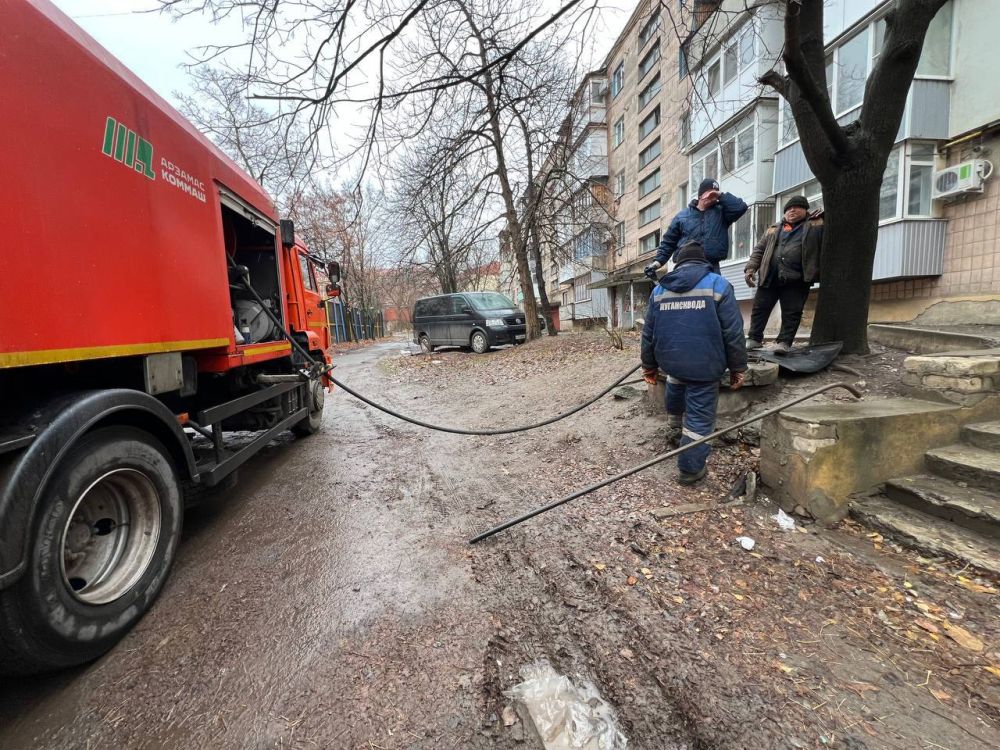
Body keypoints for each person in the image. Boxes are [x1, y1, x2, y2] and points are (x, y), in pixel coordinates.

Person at [641, 241, 748, 485]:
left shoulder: (660, 290)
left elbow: (648, 333)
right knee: (699, 418)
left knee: (676, 381)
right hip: (705, 365)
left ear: (678, 263)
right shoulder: (718, 285)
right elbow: (733, 332)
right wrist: (738, 367)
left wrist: (649, 365)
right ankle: (690, 470)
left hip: (671, 360)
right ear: (703, 262)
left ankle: (675, 426)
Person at [743, 195, 824, 354]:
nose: (792, 210)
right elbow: (759, 250)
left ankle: (784, 342)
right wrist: (750, 269)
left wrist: (822, 217)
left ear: (805, 210)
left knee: (792, 312)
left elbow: (827, 232)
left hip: (797, 278)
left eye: (797, 207)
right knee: (760, 308)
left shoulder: (814, 225)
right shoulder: (773, 228)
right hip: (769, 277)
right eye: (788, 208)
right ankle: (754, 339)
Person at [645, 178, 748, 278]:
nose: (712, 197)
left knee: (716, 290)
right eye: (709, 193)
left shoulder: (721, 213)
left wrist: (720, 195)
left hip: (711, 268)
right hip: (684, 267)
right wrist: (656, 263)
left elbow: (741, 208)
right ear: (700, 195)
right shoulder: (682, 216)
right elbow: (668, 242)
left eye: (715, 194)